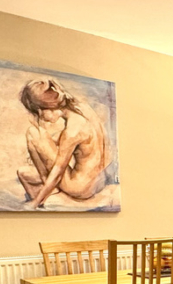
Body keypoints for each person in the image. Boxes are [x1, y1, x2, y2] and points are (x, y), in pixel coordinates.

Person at [16, 78, 111, 209]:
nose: (43, 119)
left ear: (42, 109)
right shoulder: (83, 110)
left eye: (39, 114)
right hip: (98, 181)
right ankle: (48, 189)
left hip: (80, 187)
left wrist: (35, 202)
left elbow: (58, 172)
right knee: (24, 172)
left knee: (33, 133)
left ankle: (49, 192)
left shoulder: (71, 131)